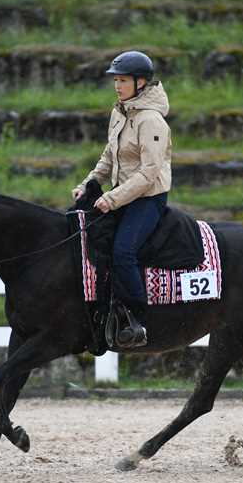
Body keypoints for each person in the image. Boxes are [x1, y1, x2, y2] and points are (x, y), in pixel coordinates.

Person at [72, 50, 172, 348]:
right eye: (116, 80)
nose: (117, 86)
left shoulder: (151, 121)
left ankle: (137, 319)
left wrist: (112, 199)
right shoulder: (120, 112)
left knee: (123, 251)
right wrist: (88, 184)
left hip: (148, 199)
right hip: (122, 194)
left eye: (123, 80)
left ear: (141, 82)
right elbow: (108, 156)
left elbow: (149, 173)